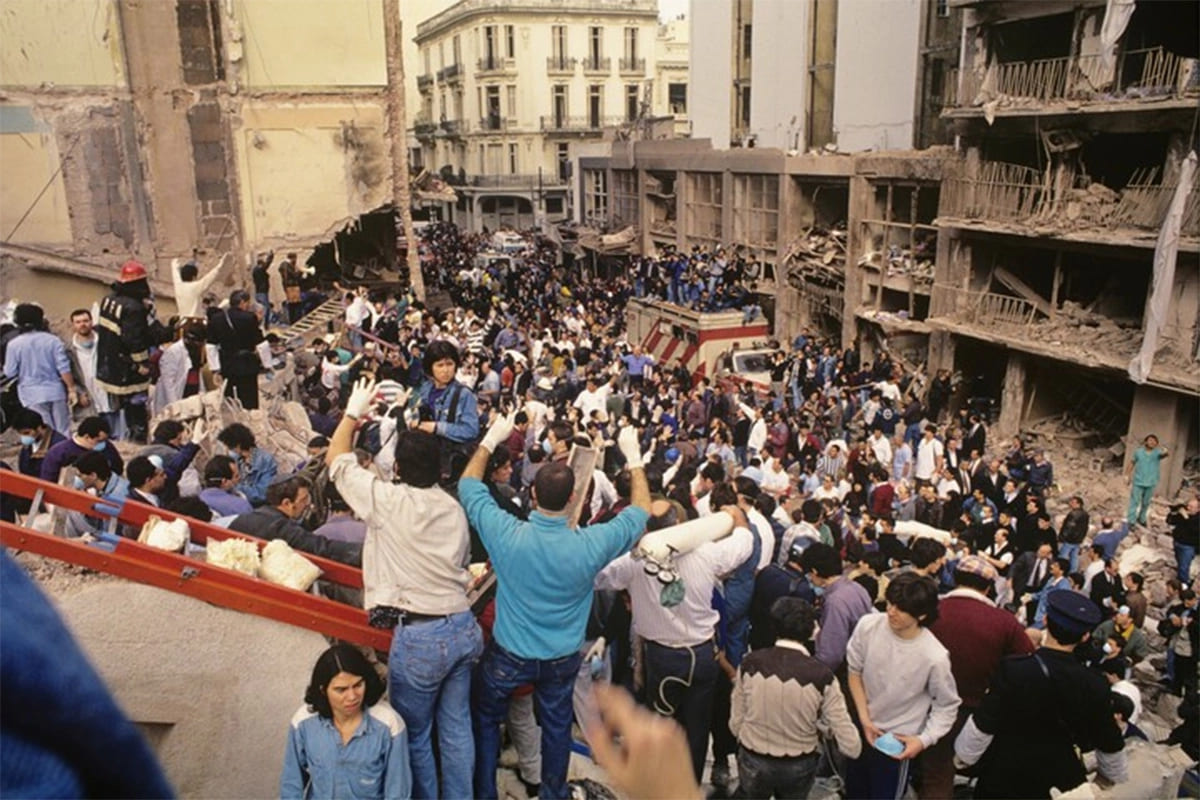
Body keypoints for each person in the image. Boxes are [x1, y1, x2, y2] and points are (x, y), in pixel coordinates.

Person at [459, 413, 651, 800]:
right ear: (572, 499)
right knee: (557, 727)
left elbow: (468, 486)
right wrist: (634, 458)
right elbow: (642, 511)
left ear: (532, 495)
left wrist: (490, 439)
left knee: (484, 718)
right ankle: (553, 793)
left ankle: (483, 792)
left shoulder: (507, 533)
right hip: (562, 657)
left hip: (508, 654)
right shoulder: (590, 544)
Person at [326, 378, 482, 800]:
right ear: (440, 470)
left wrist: (352, 413)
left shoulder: (388, 501)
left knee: (414, 733)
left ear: (397, 469)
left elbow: (337, 460)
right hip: (462, 627)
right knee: (456, 728)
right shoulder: (453, 507)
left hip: (422, 636)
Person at [595, 496, 753, 785]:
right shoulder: (707, 553)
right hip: (704, 655)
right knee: (697, 729)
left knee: (663, 726)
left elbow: (596, 575)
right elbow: (743, 545)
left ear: (646, 531)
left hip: (664, 659)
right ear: (680, 525)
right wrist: (739, 520)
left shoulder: (635, 562)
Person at [955, 591, 1128, 798]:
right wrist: (1108, 778)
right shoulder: (1095, 683)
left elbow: (985, 721)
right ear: (1084, 636)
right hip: (1060, 778)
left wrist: (964, 757)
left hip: (1005, 770)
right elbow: (1108, 739)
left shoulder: (1015, 669)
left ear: (1045, 620)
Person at [922, 555, 1034, 800]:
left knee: (929, 772)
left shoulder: (929, 609)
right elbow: (1026, 663)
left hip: (921, 704)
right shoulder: (1004, 622)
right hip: (973, 713)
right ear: (987, 587)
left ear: (955, 579)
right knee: (949, 773)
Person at [730, 597, 862, 800]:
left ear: (774, 626)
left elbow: (736, 718)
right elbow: (848, 740)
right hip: (799, 763)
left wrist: (744, 737)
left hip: (754, 757)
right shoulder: (822, 676)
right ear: (812, 631)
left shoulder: (750, 663)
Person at [845, 573, 960, 800]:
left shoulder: (934, 656)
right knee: (854, 792)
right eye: (890, 603)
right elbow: (854, 671)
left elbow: (947, 705)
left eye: (901, 609)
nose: (891, 611)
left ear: (922, 615)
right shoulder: (868, 625)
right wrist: (864, 719)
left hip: (897, 739)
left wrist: (923, 740)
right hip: (861, 728)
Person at [280, 644, 411, 800]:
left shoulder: (389, 724)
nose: (352, 697)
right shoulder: (303, 723)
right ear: (323, 690)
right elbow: (291, 786)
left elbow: (398, 792)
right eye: (341, 690)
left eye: (358, 685)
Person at [95, 260, 173, 442]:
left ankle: (127, 437)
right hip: (128, 370)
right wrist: (141, 364)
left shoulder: (108, 300)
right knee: (136, 408)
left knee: (121, 408)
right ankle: (137, 441)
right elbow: (134, 340)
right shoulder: (134, 308)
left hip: (110, 365)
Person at [228, 475, 362, 566]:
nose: (308, 505)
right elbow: (320, 547)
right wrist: (363, 552)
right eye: (303, 500)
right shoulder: (281, 528)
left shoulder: (244, 519)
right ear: (287, 503)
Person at [409, 340, 480, 484]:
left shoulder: (464, 394)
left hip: (450, 467)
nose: (445, 370)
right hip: (427, 459)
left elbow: (471, 430)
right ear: (430, 367)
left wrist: (437, 427)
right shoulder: (426, 389)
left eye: (449, 364)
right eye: (440, 365)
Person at [3, 303, 76, 435]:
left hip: (31, 394)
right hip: (56, 391)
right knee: (64, 430)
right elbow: (64, 368)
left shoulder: (14, 345)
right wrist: (71, 389)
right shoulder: (53, 341)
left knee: (43, 431)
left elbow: (10, 372)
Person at [799, 543, 873, 674]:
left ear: (814, 572)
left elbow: (830, 655)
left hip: (845, 667)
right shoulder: (857, 588)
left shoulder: (835, 602)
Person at [208, 290, 264, 410]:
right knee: (249, 400)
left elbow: (211, 345)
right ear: (242, 302)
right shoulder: (250, 318)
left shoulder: (217, 318)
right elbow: (260, 343)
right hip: (247, 364)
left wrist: (215, 368)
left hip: (227, 363)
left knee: (229, 400)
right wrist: (267, 364)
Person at [216, 423, 278, 507]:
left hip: (256, 506)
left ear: (238, 445)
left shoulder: (265, 461)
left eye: (229, 447)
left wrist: (235, 487)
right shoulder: (235, 458)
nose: (227, 450)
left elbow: (262, 494)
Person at [1126, 434, 1169, 527]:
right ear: (1146, 442)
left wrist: (1166, 451)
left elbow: (1165, 455)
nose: (1152, 442)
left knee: (1146, 503)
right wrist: (1127, 475)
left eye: (1154, 441)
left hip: (1151, 482)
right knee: (1134, 501)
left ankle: (1142, 519)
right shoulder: (1138, 452)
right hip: (1138, 481)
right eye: (1150, 440)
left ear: (1156, 443)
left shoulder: (1157, 453)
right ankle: (1131, 521)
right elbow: (1132, 462)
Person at [198, 455, 252, 519]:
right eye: (236, 476)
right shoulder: (241, 506)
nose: (240, 478)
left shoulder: (197, 502)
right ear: (224, 482)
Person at [1167, 497, 1199, 584]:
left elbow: (1194, 529)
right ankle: (1179, 580)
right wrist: (1173, 512)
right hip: (1177, 542)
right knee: (1180, 563)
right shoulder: (1183, 514)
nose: (1188, 508)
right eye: (1188, 506)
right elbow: (1170, 521)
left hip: (1188, 546)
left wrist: (1186, 517)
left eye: (1191, 507)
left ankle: (1184, 585)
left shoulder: (1197, 518)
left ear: (1197, 509)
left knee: (1184, 567)